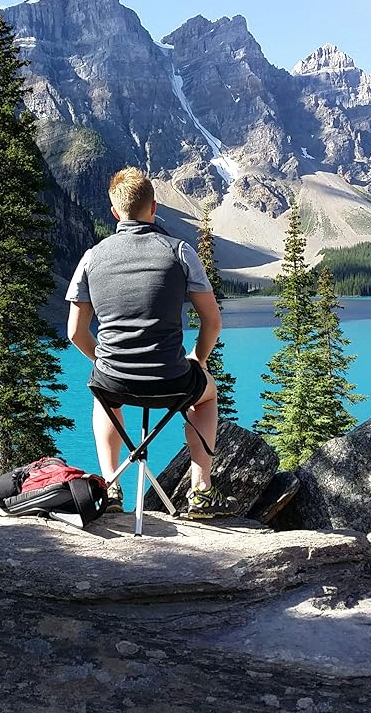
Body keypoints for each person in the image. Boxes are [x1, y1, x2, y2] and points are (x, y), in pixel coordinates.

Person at [65, 166, 239, 519]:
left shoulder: (92, 257)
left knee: (104, 396)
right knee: (207, 394)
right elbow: (212, 321)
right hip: (171, 380)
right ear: (154, 208)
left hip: (115, 379)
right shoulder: (180, 252)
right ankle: (201, 490)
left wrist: (104, 359)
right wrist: (199, 359)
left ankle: (111, 485)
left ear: (115, 213)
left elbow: (75, 333)